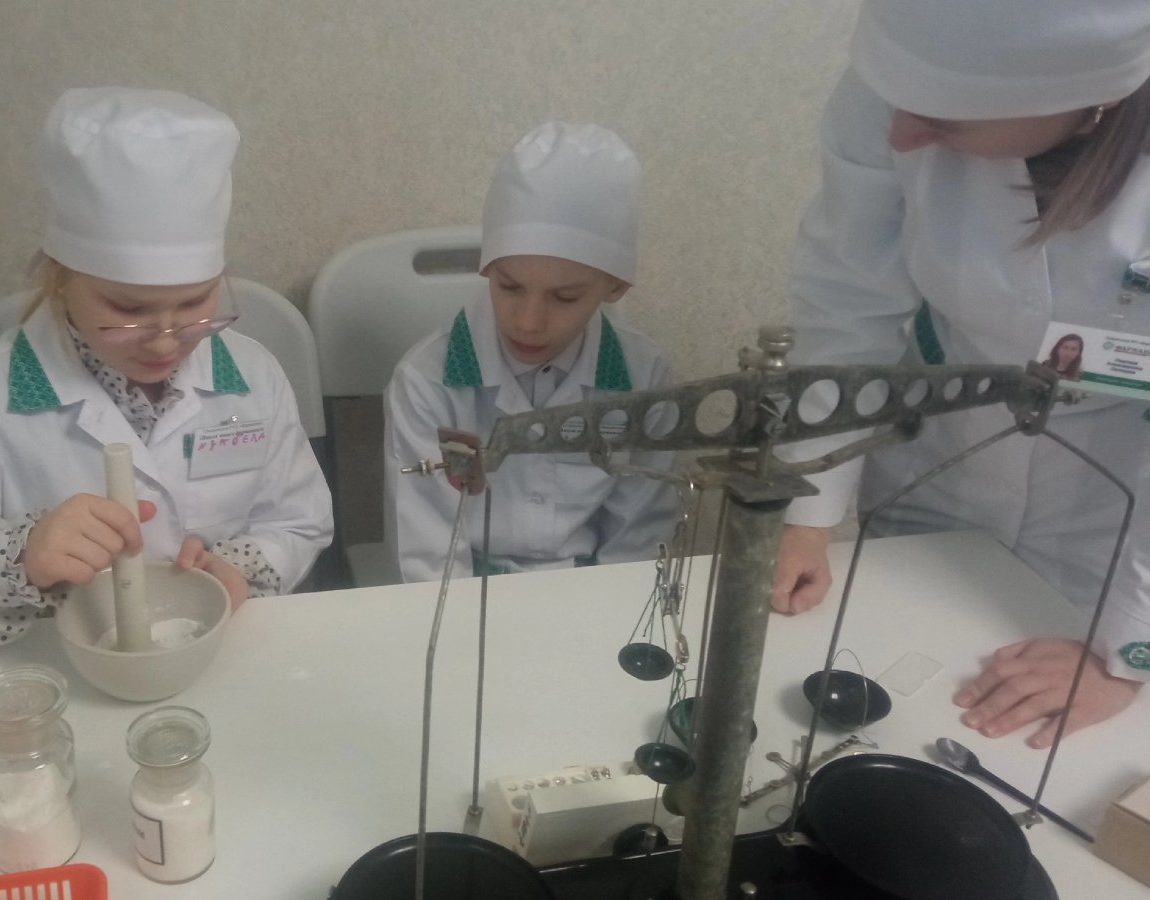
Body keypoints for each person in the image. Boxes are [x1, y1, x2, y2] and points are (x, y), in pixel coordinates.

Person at [0, 89, 333, 686]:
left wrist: (240, 569)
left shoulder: (253, 375)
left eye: (196, 302)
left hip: (219, 661)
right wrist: (19, 560)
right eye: (128, 309)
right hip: (55, 677)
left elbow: (298, 521)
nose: (165, 341)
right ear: (61, 278)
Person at [772, 0, 1150, 747]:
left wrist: (1128, 655)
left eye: (946, 120)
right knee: (887, 704)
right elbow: (848, 300)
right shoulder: (898, 84)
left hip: (1108, 525)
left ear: (1090, 99)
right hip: (939, 466)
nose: (902, 136)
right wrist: (808, 514)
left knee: (1042, 753)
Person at [384, 122, 679, 583]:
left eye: (564, 298)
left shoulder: (644, 377)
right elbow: (430, 554)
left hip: (593, 592)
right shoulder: (427, 379)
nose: (528, 321)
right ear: (487, 269)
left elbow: (638, 541)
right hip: (467, 592)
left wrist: (607, 616)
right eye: (510, 286)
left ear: (616, 286)